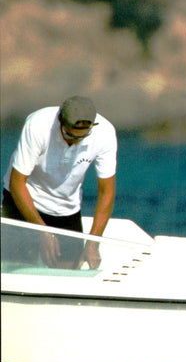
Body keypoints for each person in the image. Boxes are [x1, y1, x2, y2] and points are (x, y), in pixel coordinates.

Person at [2, 95, 117, 268]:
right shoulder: (38, 124)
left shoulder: (105, 133)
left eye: (81, 138)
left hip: (65, 207)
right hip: (24, 199)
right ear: (59, 121)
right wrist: (43, 232)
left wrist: (93, 243)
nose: (74, 142)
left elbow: (106, 191)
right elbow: (17, 182)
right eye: (69, 135)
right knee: (16, 269)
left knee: (70, 273)